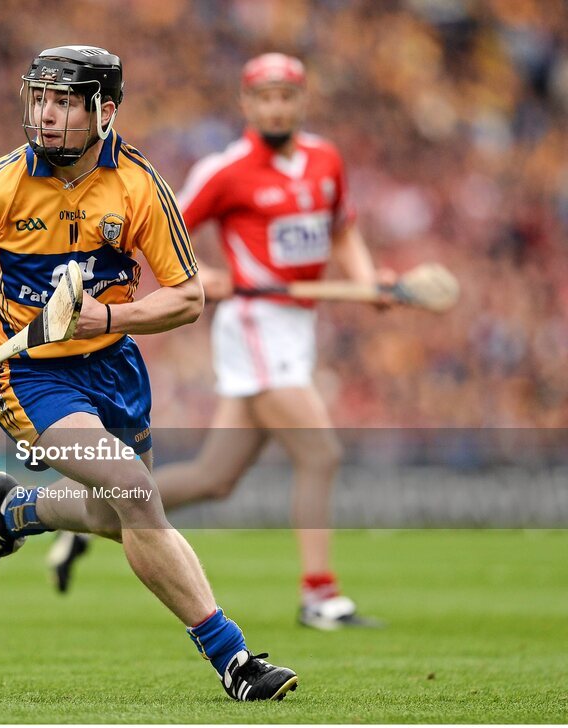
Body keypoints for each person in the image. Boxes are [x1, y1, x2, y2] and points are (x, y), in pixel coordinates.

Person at [0, 45, 298, 701]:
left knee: (113, 513)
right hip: (28, 375)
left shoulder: (140, 186)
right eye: (40, 98)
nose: (47, 114)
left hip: (113, 366)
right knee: (132, 491)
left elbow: (186, 297)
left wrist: (108, 321)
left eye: (65, 102)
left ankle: (19, 512)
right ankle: (233, 658)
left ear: (106, 110)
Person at [50, 53, 386, 630]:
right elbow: (161, 232)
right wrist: (202, 277)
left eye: (287, 96)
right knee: (320, 452)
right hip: (255, 327)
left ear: (301, 101)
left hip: (297, 327)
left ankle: (88, 517)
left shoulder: (325, 160)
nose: (277, 106)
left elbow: (344, 229)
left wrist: (369, 281)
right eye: (266, 97)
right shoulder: (226, 170)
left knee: (215, 478)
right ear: (247, 104)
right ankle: (319, 595)